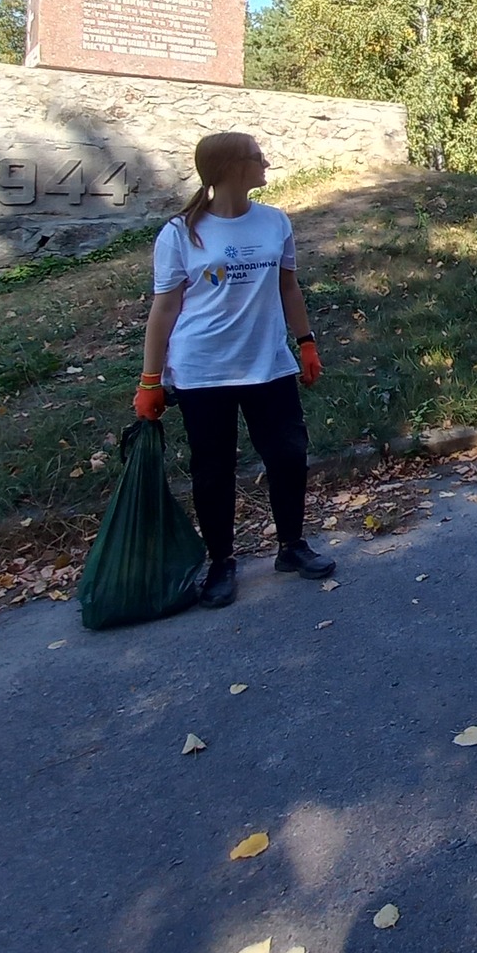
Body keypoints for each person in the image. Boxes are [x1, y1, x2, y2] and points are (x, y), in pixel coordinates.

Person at [133, 132, 334, 609]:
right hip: (203, 371)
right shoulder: (180, 233)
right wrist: (150, 380)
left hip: (269, 365)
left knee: (288, 456)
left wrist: (306, 342)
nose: (266, 163)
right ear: (230, 168)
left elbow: (288, 287)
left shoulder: (274, 221)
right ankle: (221, 562)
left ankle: (291, 546)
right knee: (213, 470)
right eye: (257, 157)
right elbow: (165, 308)